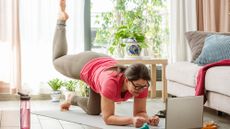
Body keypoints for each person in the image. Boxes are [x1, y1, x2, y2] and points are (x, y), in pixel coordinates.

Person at [53, 0, 159, 128]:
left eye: (143, 86)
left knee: (93, 110)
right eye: (137, 87)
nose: (140, 90)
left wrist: (149, 119)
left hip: (101, 74)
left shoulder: (141, 83)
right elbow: (108, 118)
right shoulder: (111, 83)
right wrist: (132, 120)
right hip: (87, 63)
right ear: (126, 80)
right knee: (56, 60)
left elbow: (140, 112)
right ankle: (61, 20)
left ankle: (71, 98)